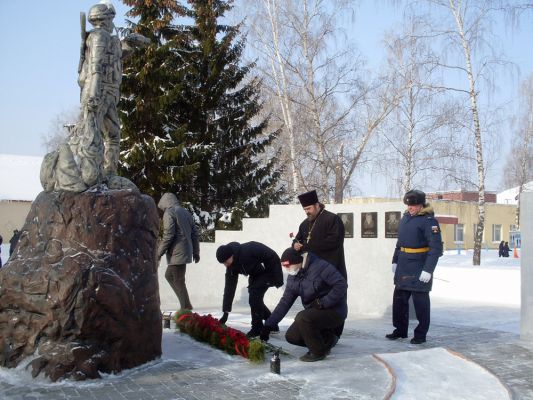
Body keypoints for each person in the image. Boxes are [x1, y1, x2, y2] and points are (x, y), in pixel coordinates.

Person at [260, 248, 348, 362]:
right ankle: (328, 340)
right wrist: (268, 325)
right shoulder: (293, 277)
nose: (287, 269)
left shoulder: (320, 266)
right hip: (315, 312)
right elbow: (285, 302)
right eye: (284, 267)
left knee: (302, 317)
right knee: (292, 337)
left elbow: (341, 285)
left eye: (288, 266)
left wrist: (323, 302)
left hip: (334, 310)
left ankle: (318, 352)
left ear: (298, 261)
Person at [386, 189, 443, 345]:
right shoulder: (405, 218)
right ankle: (400, 330)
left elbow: (436, 248)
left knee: (420, 303)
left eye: (413, 205)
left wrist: (428, 270)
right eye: (408, 205)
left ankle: (420, 334)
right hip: (404, 264)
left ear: (421, 205)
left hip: (419, 265)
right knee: (399, 301)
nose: (410, 208)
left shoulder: (429, 222)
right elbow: (400, 243)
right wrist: (395, 260)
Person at [216, 241, 284, 338]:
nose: (226, 265)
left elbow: (271, 255)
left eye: (226, 262)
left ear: (231, 255)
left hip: (269, 269)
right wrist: (226, 311)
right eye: (223, 263)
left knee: (254, 296)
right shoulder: (231, 267)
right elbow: (229, 288)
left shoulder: (249, 249)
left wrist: (276, 277)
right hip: (256, 274)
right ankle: (271, 324)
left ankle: (257, 328)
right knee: (254, 297)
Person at [157, 193, 200, 311]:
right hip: (186, 250)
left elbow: (168, 234)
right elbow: (195, 234)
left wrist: (158, 253)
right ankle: (187, 305)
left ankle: (185, 308)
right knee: (170, 276)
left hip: (177, 251)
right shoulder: (185, 212)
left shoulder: (169, 213)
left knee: (178, 279)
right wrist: (196, 252)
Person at [292, 190, 347, 279]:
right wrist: (295, 245)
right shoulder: (304, 224)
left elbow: (334, 242)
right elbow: (298, 239)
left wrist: (307, 246)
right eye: (305, 209)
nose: (306, 212)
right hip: (311, 275)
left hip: (332, 272)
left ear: (317, 205)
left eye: (309, 208)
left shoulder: (332, 219)